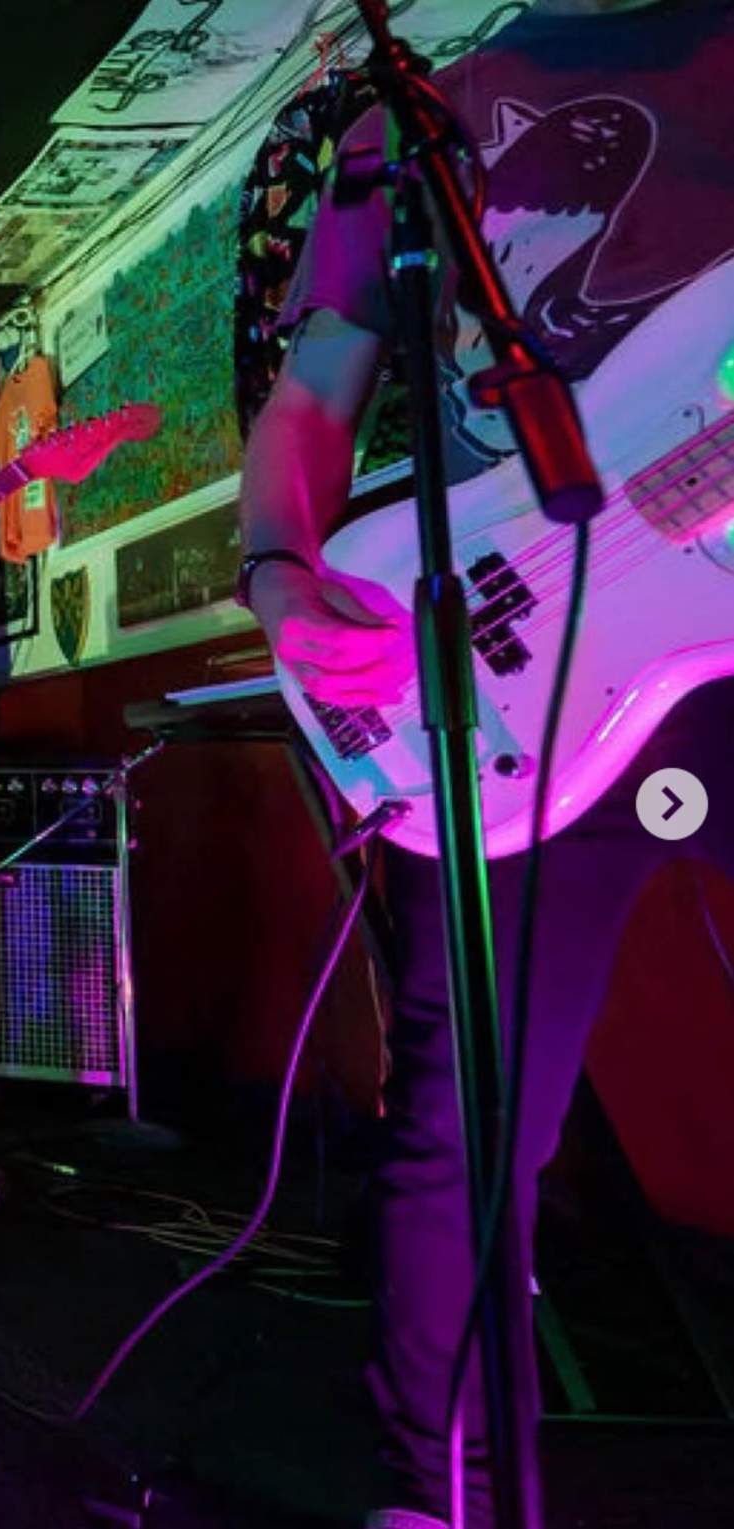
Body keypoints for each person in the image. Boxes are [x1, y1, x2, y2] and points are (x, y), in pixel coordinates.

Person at [238, 3, 733, 1525]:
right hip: (502, 663)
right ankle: (436, 1492)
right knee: (469, 1122)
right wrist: (279, 568)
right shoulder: (418, 114)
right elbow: (315, 392)